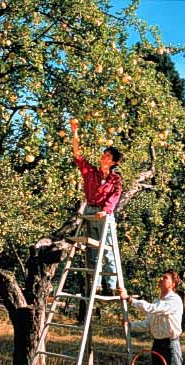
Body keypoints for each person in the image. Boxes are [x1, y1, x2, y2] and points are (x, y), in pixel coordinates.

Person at [70, 118, 123, 296]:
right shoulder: (91, 172)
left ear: (113, 162)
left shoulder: (115, 178)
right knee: (92, 250)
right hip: (90, 211)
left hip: (104, 214)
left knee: (106, 248)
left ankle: (110, 284)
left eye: (108, 156)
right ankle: (97, 283)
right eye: (104, 154)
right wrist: (74, 131)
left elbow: (115, 195)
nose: (104, 157)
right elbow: (78, 155)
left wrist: (106, 210)